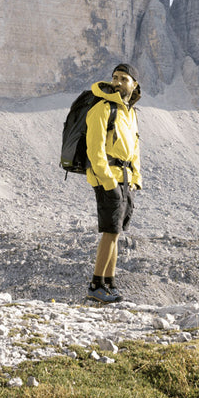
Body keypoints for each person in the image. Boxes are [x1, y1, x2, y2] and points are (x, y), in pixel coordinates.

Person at [85, 62, 142, 303]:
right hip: (109, 179)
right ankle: (96, 285)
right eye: (115, 77)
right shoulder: (103, 108)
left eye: (124, 78)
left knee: (116, 233)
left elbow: (135, 147)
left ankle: (110, 284)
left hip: (125, 180)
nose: (117, 82)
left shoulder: (129, 112)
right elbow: (94, 149)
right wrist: (107, 182)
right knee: (109, 232)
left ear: (134, 84)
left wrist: (136, 178)